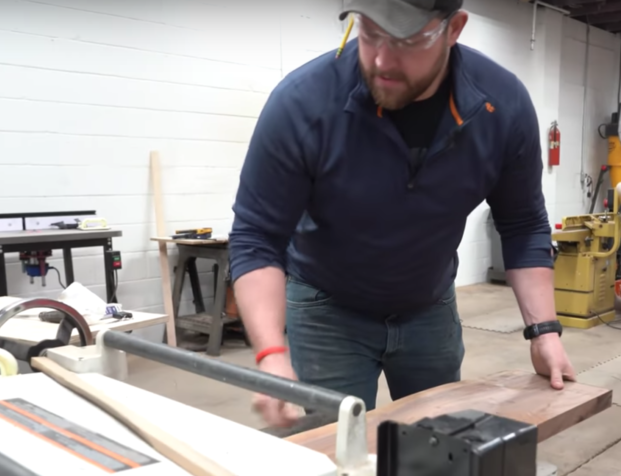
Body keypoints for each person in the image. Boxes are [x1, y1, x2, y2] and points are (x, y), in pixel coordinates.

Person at [229, 0, 576, 428]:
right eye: (369, 33)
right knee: (334, 449)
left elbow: (522, 223)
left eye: (407, 40)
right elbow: (257, 236)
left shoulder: (501, 106)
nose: (381, 59)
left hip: (429, 306)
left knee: (439, 447)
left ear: (454, 29)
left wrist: (543, 332)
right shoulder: (304, 102)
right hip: (327, 307)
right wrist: (271, 354)